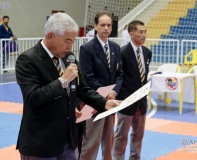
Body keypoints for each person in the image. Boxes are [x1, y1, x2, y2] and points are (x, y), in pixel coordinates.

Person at [15, 12, 120, 160]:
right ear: (50, 35)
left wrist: (104, 102)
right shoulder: (27, 59)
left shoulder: (68, 57)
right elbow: (33, 97)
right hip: (40, 140)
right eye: (67, 41)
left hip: (68, 139)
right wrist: (63, 80)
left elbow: (81, 88)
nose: (70, 46)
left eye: (72, 41)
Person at [79, 11, 123, 160]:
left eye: (109, 25)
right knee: (91, 141)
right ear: (96, 26)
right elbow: (87, 77)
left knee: (108, 140)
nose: (106, 28)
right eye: (102, 25)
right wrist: (107, 92)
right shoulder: (87, 48)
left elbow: (120, 74)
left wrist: (114, 92)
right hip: (93, 101)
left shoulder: (116, 48)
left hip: (111, 100)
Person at [112, 20, 152, 160]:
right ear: (131, 34)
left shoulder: (147, 52)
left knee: (138, 135)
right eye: (141, 32)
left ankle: (135, 157)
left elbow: (143, 76)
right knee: (121, 136)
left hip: (142, 101)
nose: (144, 35)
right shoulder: (122, 52)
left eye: (145, 32)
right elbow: (118, 77)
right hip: (126, 99)